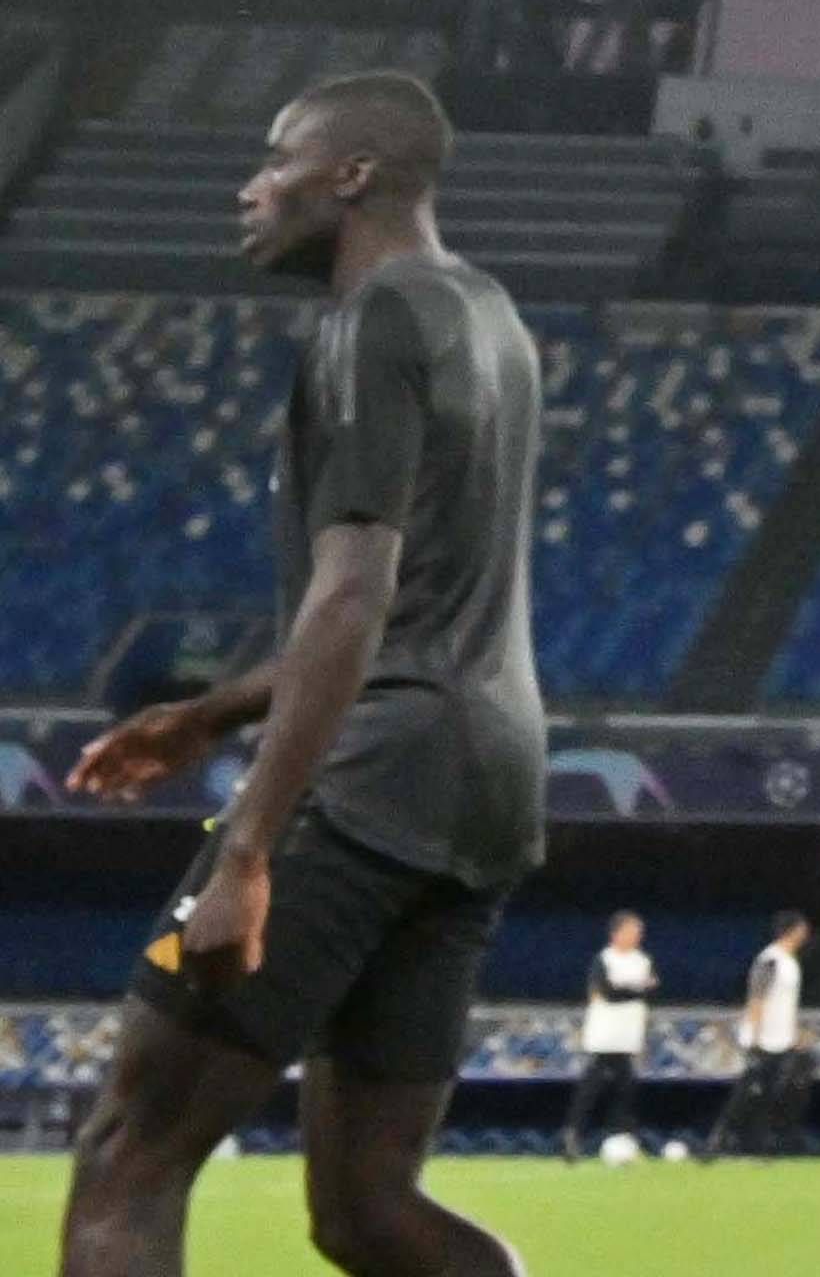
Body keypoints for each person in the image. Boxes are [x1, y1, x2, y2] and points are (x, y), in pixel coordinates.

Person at [54, 73, 547, 1277]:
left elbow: (355, 595)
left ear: (352, 175)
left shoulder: (370, 321)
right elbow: (423, 604)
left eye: (277, 160)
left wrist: (246, 852)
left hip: (371, 782)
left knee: (128, 1156)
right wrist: (210, 713)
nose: (251, 188)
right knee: (370, 1211)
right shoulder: (487, 316)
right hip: (485, 791)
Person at [711, 910, 810, 1158]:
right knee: (747, 1092)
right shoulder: (770, 960)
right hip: (763, 1038)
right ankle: (719, 1139)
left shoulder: (790, 962)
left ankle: (757, 1143)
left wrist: (794, 1032)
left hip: (781, 1038)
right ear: (792, 931)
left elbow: (787, 1003)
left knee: (771, 1093)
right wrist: (754, 1036)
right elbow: (757, 997)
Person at [565, 907, 656, 1153]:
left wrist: (629, 990)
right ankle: (573, 1132)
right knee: (592, 1084)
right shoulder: (604, 959)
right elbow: (604, 992)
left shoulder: (642, 961)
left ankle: (622, 1134)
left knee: (626, 1086)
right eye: (632, 931)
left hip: (629, 1031)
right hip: (605, 1031)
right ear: (617, 933)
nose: (637, 936)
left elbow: (649, 991)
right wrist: (635, 990)